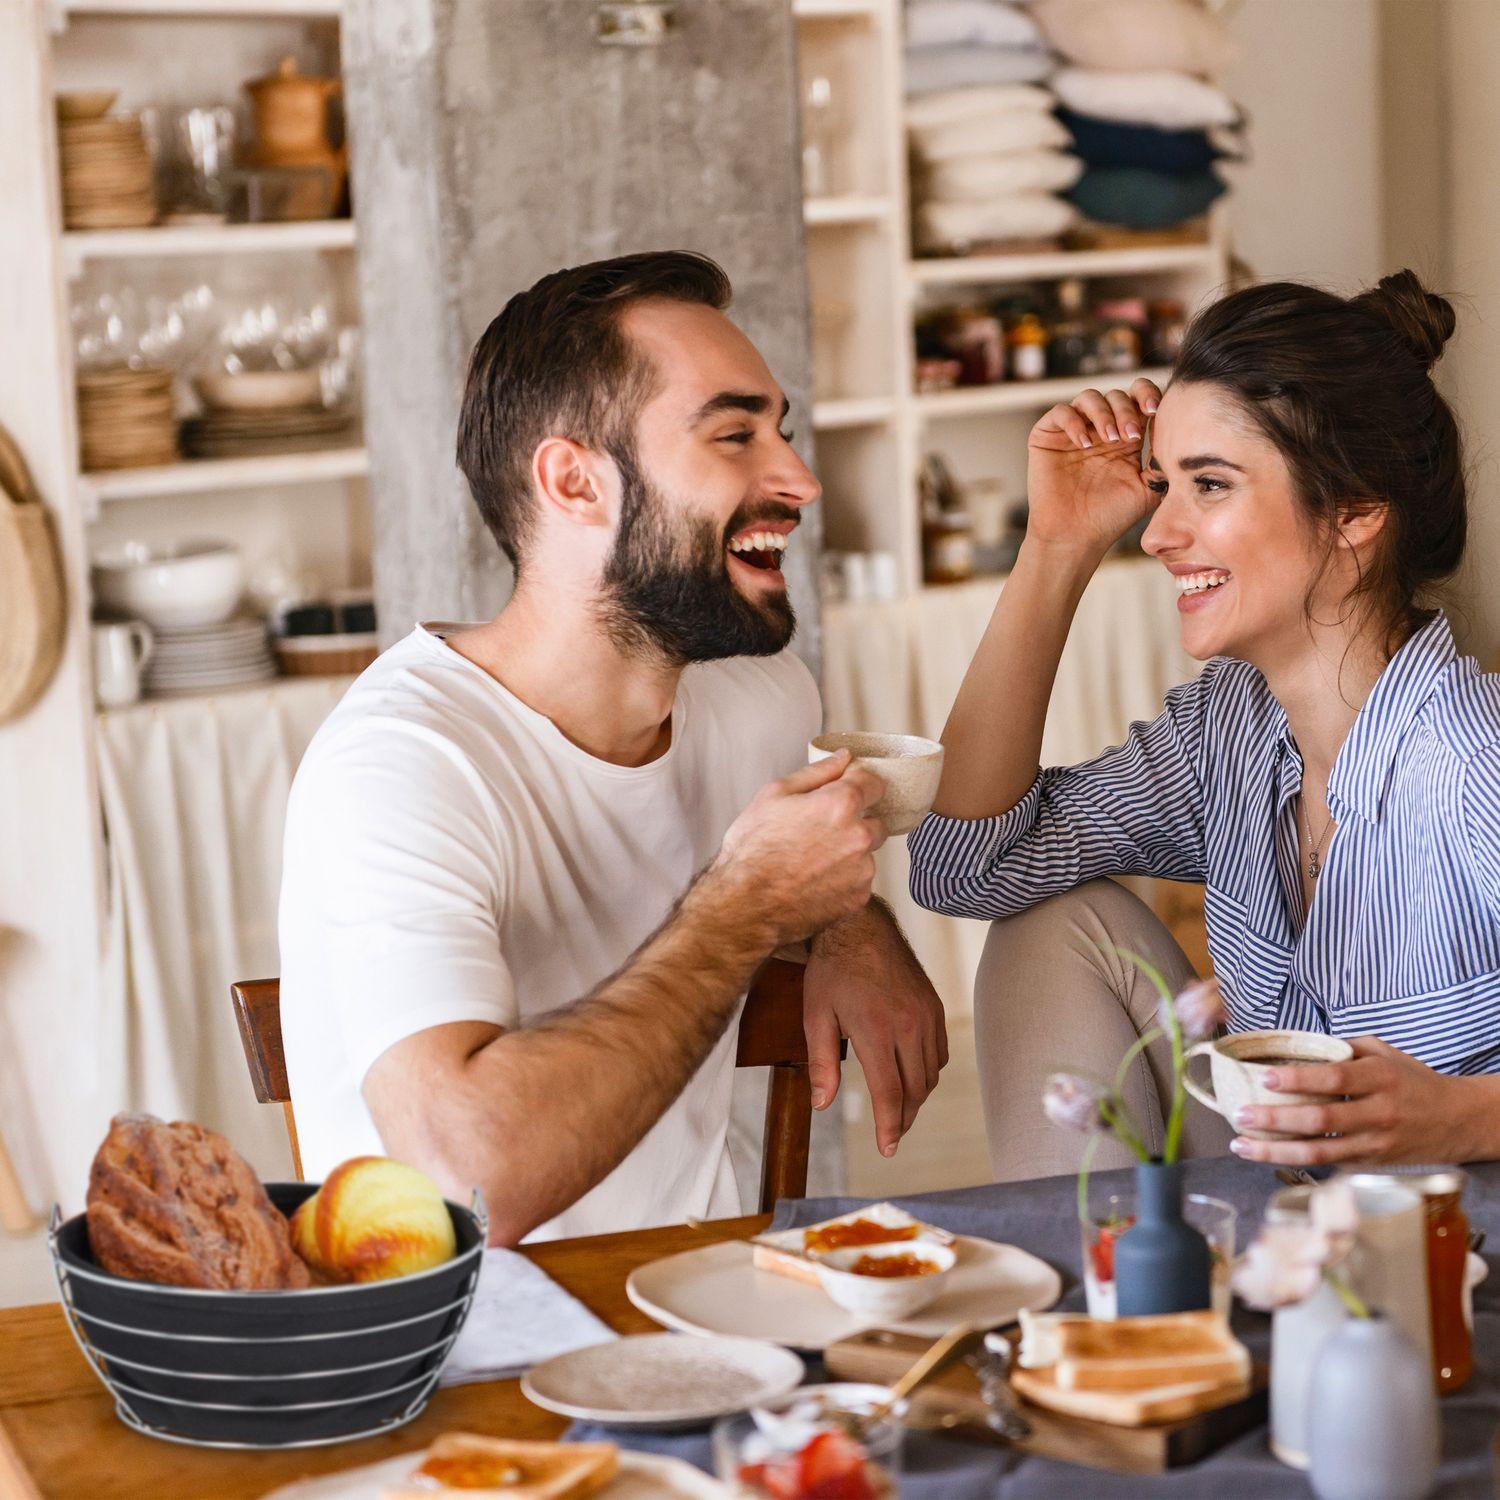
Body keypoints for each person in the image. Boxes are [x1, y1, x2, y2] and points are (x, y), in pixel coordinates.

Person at [278, 251, 946, 1246]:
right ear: (575, 481)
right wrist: (747, 910)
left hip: (704, 1319)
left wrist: (851, 924)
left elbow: (786, 879)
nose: (799, 480)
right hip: (462, 1359)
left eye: (782, 433)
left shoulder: (762, 699)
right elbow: (469, 1182)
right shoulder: (402, 764)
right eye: (734, 435)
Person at [909, 269, 1500, 1180]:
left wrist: (1467, 1116)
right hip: (1281, 1222)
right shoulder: (1223, 732)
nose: (1156, 533)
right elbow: (965, 869)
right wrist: (1056, 548)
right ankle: (1110, 1313)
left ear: (1354, 511)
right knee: (1050, 923)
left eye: (1210, 485)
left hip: (1450, 1271)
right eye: (1162, 483)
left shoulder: (1475, 761)